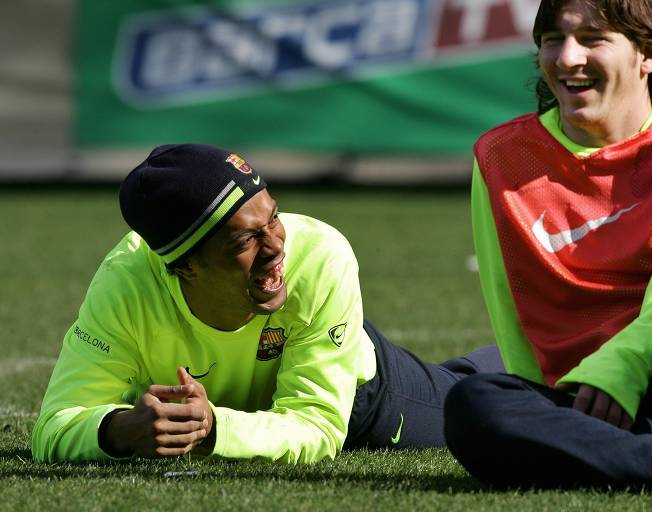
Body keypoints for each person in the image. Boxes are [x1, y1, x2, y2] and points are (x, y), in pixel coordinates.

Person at [444, 0, 652, 494]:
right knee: (475, 402)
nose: (567, 57)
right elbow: (513, 310)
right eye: (553, 39)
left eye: (592, 39)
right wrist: (548, 408)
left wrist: (622, 367)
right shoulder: (500, 156)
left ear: (650, 53)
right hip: (609, 413)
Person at [31, 143, 503, 463]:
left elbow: (318, 425)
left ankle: (515, 366)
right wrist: (118, 430)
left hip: (364, 401)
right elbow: (54, 425)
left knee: (487, 415)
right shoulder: (126, 285)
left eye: (273, 217)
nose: (277, 246)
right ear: (187, 266)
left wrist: (213, 428)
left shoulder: (318, 255)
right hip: (251, 413)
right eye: (245, 240)